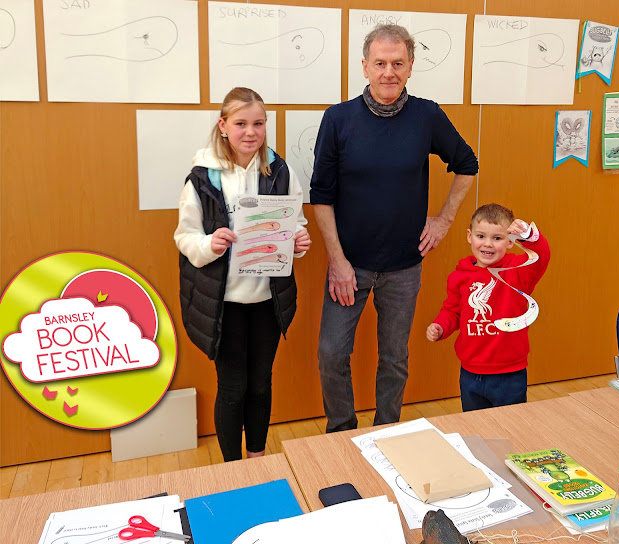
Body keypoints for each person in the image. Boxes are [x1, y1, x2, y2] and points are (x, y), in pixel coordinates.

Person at [310, 24, 479, 433]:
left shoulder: (427, 115)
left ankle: (388, 430)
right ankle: (342, 431)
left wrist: (445, 219)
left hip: (404, 268)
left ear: (410, 67)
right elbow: (321, 196)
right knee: (332, 353)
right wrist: (337, 261)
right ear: (365, 66)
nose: (389, 72)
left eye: (398, 63)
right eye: (381, 63)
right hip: (348, 265)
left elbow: (467, 164)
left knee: (394, 358)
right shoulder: (338, 119)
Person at [174, 87, 311, 461]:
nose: (250, 132)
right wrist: (210, 244)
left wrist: (299, 239)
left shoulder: (280, 171)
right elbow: (185, 236)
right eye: (240, 123)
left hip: (267, 300)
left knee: (261, 386)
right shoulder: (202, 179)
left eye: (258, 123)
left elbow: (295, 222)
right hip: (225, 303)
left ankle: (256, 459)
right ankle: (233, 468)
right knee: (233, 387)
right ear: (223, 126)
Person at [426, 203, 550, 411]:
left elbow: (541, 257)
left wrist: (530, 236)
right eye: (481, 236)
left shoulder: (517, 271)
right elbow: (452, 311)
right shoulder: (460, 276)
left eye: (497, 238)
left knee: (510, 430)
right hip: (470, 372)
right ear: (469, 236)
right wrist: (441, 326)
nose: (488, 244)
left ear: (510, 242)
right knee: (476, 429)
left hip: (509, 374)